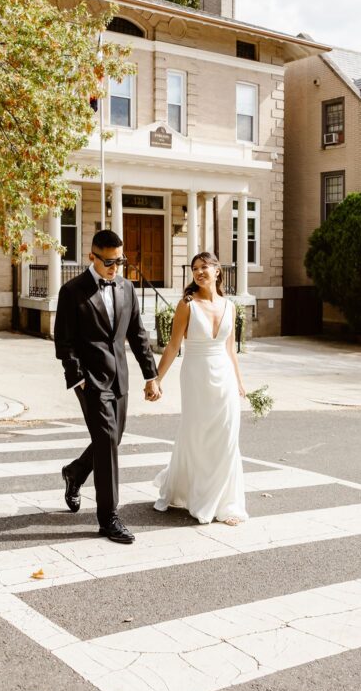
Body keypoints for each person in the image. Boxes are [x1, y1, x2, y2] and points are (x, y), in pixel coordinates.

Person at [54, 230, 161, 544]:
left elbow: (137, 335)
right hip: (90, 381)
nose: (116, 267)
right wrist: (78, 377)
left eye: (120, 261)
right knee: (106, 441)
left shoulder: (127, 288)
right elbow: (64, 342)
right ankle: (108, 518)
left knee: (110, 440)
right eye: (110, 262)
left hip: (120, 379)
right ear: (92, 257)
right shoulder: (72, 291)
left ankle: (75, 472)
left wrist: (150, 375)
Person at [153, 251, 248, 526]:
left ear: (217, 271)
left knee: (227, 437)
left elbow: (230, 349)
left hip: (225, 377)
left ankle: (227, 504)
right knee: (197, 434)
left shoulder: (230, 306)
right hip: (196, 375)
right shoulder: (187, 304)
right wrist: (156, 379)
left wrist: (239, 382)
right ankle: (198, 495)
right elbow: (173, 346)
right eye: (195, 268)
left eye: (204, 267)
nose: (199, 272)